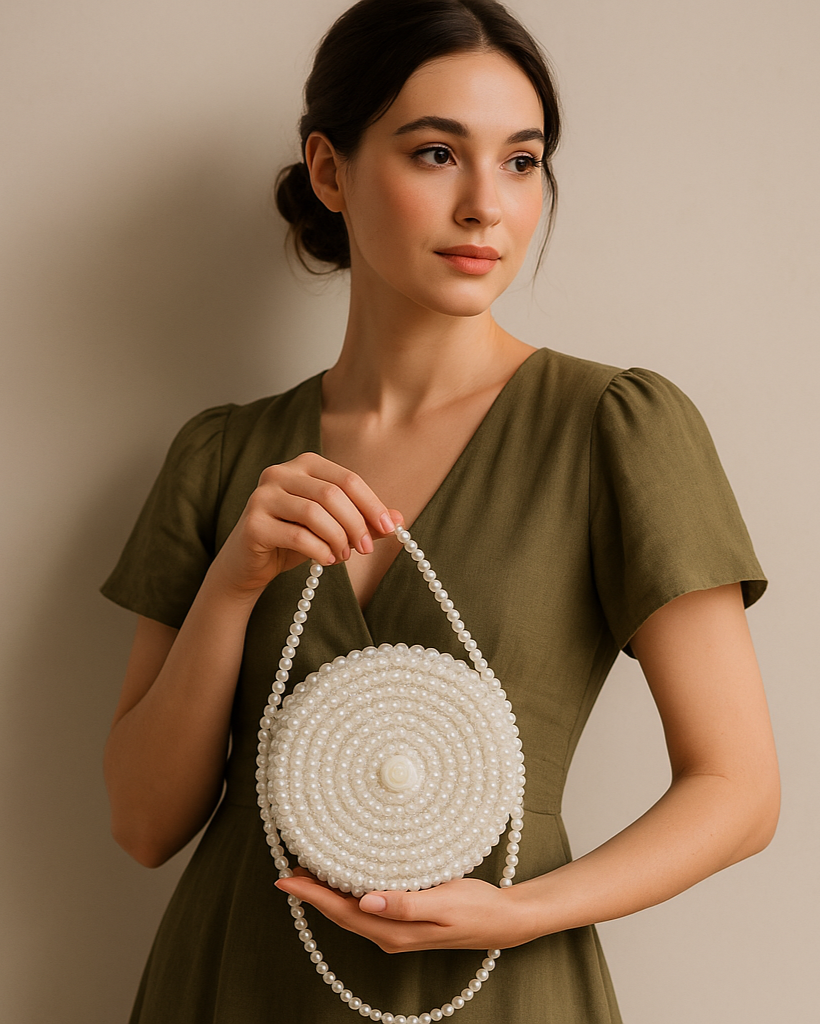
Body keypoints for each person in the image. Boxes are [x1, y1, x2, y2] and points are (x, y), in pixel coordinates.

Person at [101, 1, 780, 1021]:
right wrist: (234, 582)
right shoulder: (221, 453)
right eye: (434, 154)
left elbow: (738, 793)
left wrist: (521, 912)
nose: (485, 207)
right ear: (329, 172)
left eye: (519, 161)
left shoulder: (614, 428)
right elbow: (145, 824)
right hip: (238, 979)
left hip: (501, 989)